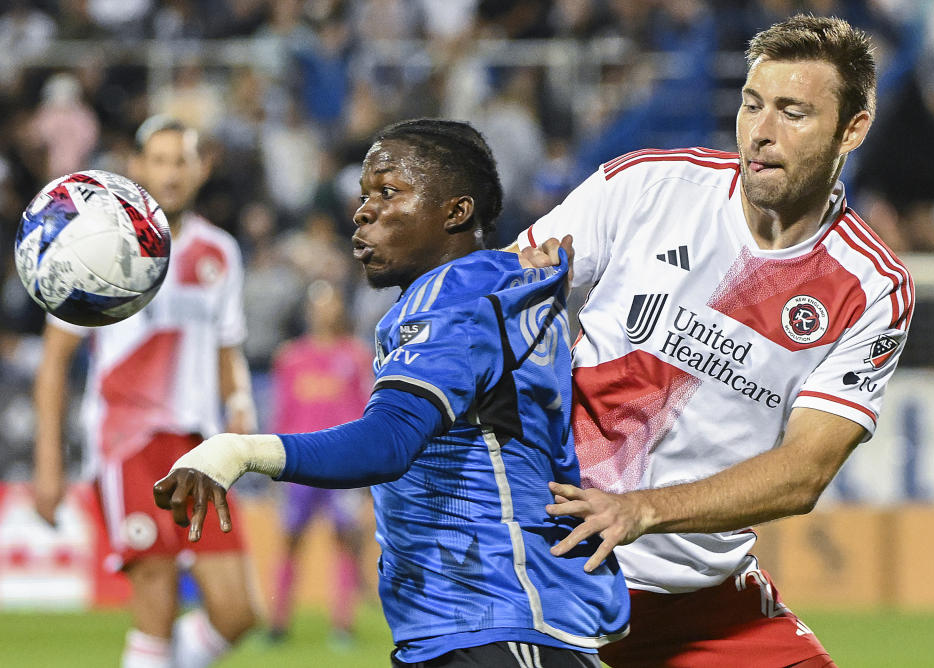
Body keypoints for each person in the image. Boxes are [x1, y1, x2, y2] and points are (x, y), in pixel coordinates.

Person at [511, 14, 913, 668]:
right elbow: (491, 303)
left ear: (853, 130)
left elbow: (804, 472)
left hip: (695, 603)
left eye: (792, 112)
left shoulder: (871, 286)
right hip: (547, 564)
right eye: (752, 105)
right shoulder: (647, 187)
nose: (761, 131)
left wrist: (641, 509)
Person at [154, 118, 630, 667]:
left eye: (388, 191)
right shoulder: (497, 287)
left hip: (495, 622)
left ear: (457, 211)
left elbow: (387, 442)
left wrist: (239, 450)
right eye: (363, 195)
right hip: (480, 625)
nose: (363, 211)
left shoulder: (456, 302)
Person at [33, 116, 258, 668]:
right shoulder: (98, 244)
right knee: (154, 599)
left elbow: (228, 350)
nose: (170, 173)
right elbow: (55, 362)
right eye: (158, 160)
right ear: (136, 168)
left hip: (202, 446)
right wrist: (48, 463)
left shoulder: (220, 253)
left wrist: (242, 411)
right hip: (128, 441)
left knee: (236, 613)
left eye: (180, 160)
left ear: (201, 168)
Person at [267, 279, 373, 643]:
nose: (324, 310)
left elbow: (367, 411)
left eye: (330, 303)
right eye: (318, 304)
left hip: (342, 464)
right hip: (297, 463)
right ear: (309, 310)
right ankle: (278, 623)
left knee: (344, 541)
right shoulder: (290, 357)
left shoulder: (356, 356)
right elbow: (282, 412)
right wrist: (273, 461)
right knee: (290, 540)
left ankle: (341, 624)